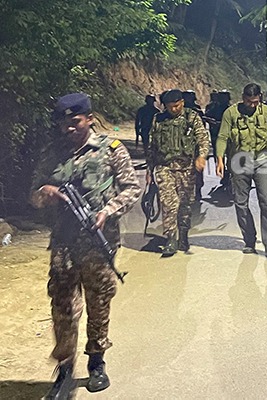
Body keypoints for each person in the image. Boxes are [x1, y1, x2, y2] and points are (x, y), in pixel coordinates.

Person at [30, 93, 141, 398]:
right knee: (63, 306)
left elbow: (132, 188)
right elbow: (33, 195)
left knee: (98, 303)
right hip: (63, 243)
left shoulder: (110, 150)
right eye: (64, 123)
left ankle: (96, 362)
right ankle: (65, 369)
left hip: (97, 243)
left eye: (75, 121)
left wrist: (108, 211)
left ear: (90, 119)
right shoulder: (52, 153)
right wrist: (45, 192)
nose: (69, 128)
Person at [216, 83, 267, 258]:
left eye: (255, 102)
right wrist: (219, 159)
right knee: (241, 203)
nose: (252, 105)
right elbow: (222, 137)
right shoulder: (231, 113)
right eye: (248, 102)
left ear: (260, 98)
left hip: (262, 161)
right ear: (243, 98)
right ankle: (249, 240)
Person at [147, 89, 210, 257]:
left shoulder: (191, 117)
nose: (174, 109)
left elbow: (203, 139)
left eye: (176, 106)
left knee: (185, 204)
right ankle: (171, 238)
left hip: (187, 168)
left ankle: (183, 234)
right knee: (169, 203)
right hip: (165, 167)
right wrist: (149, 169)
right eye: (170, 107)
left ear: (182, 102)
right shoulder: (158, 119)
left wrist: (201, 157)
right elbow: (152, 146)